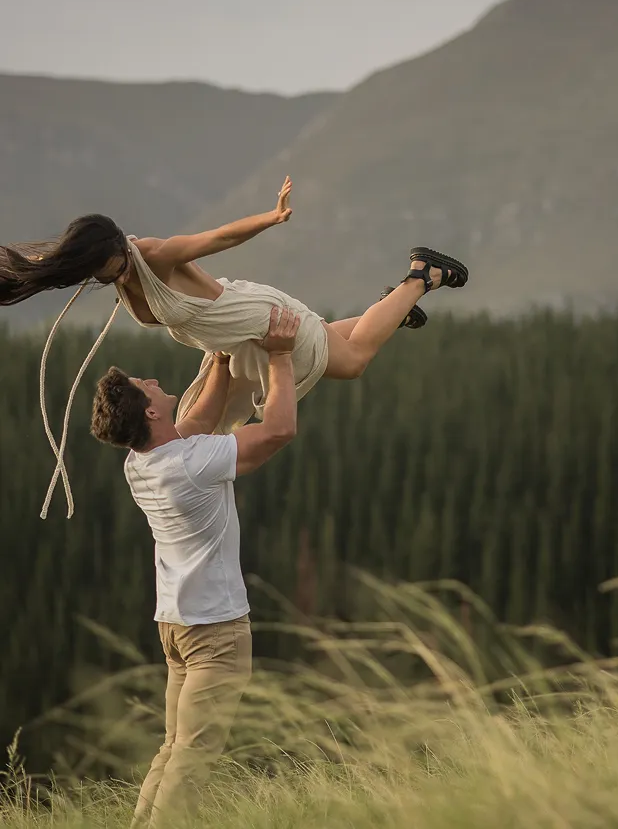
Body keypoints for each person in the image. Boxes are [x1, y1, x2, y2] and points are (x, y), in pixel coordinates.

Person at [0, 177, 468, 515]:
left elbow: (217, 238)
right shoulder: (99, 262)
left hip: (255, 319)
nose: (117, 277)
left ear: (123, 248)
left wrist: (272, 216)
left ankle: (421, 275)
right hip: (232, 342)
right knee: (206, 425)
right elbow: (50, 262)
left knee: (352, 363)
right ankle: (383, 315)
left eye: (117, 266)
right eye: (105, 274)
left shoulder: (154, 255)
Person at [90, 305, 301, 828]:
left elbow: (198, 423)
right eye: (149, 386)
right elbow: (277, 432)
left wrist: (223, 361)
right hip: (216, 632)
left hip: (176, 627)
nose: (158, 382)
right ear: (153, 415)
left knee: (174, 747)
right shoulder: (191, 462)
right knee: (193, 756)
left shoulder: (140, 462)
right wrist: (278, 355)